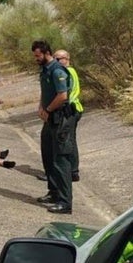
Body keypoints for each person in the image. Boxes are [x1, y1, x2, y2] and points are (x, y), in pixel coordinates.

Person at [33, 40, 74, 214]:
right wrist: (41, 107)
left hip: (60, 119)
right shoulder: (45, 70)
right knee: (48, 156)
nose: (36, 59)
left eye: (38, 55)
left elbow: (63, 95)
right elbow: (45, 91)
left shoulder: (57, 70)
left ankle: (65, 202)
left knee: (60, 161)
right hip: (49, 119)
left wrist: (48, 110)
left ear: (46, 53)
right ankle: (54, 192)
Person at [54, 50, 83, 182]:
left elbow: (66, 94)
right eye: (55, 59)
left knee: (67, 140)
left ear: (67, 59)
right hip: (73, 109)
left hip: (70, 110)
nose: (57, 61)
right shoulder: (70, 71)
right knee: (70, 139)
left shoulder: (67, 72)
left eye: (59, 59)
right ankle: (72, 170)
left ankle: (72, 171)